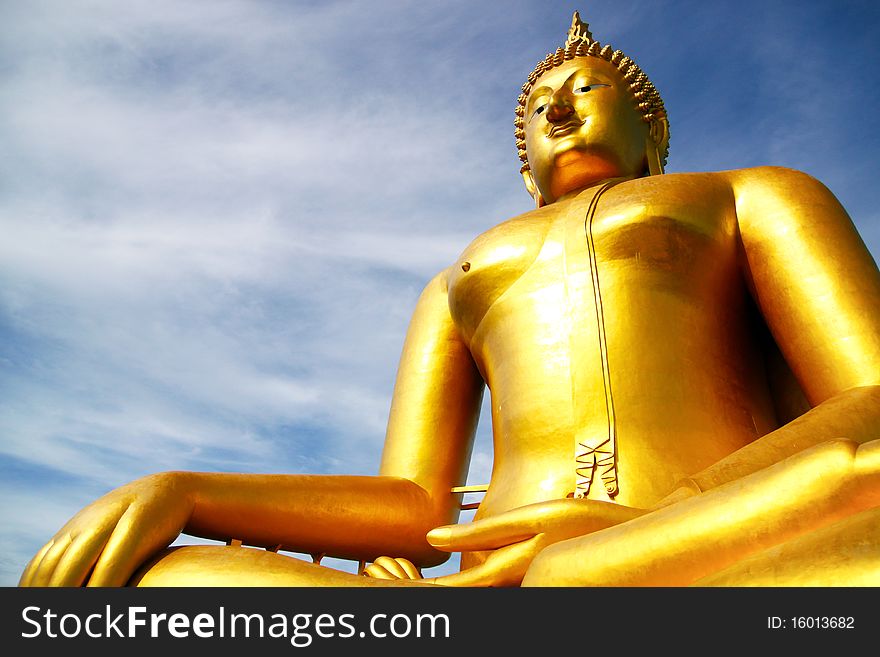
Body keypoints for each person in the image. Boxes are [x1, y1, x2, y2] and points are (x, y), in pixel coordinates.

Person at [20, 12, 880, 587]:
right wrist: (186, 491)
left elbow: (869, 398)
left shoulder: (750, 194)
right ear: (522, 164)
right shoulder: (459, 275)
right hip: (494, 578)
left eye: (585, 89)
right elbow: (415, 504)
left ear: (651, 127)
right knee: (177, 582)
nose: (556, 107)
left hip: (685, 537)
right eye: (540, 104)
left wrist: (668, 511)